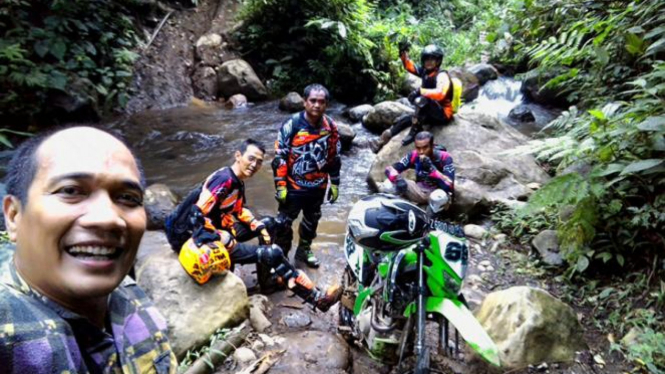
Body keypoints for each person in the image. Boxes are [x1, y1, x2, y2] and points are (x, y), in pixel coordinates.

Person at [0, 126, 177, 373]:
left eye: (127, 198)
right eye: (70, 191)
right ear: (13, 216)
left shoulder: (129, 293)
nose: (108, 218)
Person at [165, 139, 341, 312]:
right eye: (251, 158)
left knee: (272, 224)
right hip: (199, 239)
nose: (254, 165)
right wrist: (219, 237)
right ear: (238, 156)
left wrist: (257, 226)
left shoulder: (236, 181)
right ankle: (317, 300)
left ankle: (270, 280)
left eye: (259, 162)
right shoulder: (224, 179)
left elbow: (239, 210)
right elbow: (196, 215)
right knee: (273, 252)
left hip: (218, 230)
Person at [272, 84, 341, 268]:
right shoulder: (292, 124)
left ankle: (304, 251)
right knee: (283, 223)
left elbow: (334, 157)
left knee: (312, 221)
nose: (317, 105)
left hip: (318, 186)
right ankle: (281, 255)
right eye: (313, 101)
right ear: (304, 102)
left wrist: (335, 183)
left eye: (321, 102)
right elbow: (280, 157)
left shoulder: (331, 127)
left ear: (326, 104)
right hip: (293, 186)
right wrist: (280, 185)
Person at [370, 44, 454, 152]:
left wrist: (420, 91)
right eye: (426, 59)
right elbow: (409, 66)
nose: (429, 61)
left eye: (432, 59)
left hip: (442, 113)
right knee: (403, 119)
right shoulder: (425, 72)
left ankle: (415, 129)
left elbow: (440, 93)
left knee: (422, 100)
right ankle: (380, 142)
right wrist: (403, 54)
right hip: (428, 112)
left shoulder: (442, 75)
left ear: (438, 61)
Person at [379, 131, 455, 216]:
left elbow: (449, 186)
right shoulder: (414, 155)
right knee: (388, 184)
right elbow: (389, 169)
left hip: (437, 192)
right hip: (419, 189)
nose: (421, 151)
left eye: (425, 147)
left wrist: (432, 169)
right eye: (418, 148)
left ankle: (433, 220)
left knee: (438, 196)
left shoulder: (444, 157)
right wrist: (398, 179)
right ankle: (393, 213)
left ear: (432, 146)